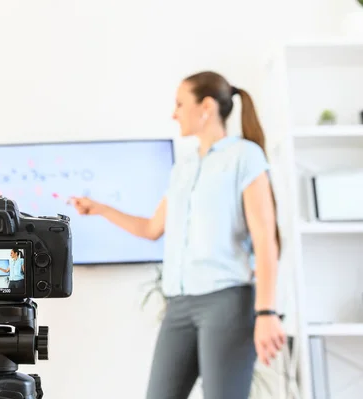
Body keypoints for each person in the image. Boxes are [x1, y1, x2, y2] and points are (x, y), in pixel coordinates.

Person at [69, 71, 286, 399]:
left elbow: (265, 239)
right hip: (180, 304)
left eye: (180, 104)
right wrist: (99, 209)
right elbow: (151, 229)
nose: (174, 113)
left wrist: (266, 312)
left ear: (207, 106)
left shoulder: (245, 157)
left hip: (226, 301)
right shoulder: (184, 166)